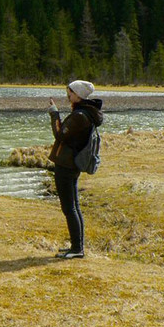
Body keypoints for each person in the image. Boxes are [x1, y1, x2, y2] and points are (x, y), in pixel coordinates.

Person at [47, 80, 104, 259]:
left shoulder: (80, 116)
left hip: (66, 165)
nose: (68, 95)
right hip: (71, 164)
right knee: (73, 206)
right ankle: (76, 246)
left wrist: (54, 113)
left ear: (78, 95)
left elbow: (60, 133)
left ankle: (77, 249)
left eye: (70, 92)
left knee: (69, 208)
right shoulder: (85, 113)